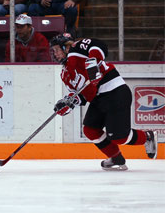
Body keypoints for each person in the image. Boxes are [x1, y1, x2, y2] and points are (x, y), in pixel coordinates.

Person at [50, 33, 158, 171]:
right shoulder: (65, 74)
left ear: (66, 47)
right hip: (98, 99)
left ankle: (147, 137)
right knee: (90, 130)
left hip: (115, 92)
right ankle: (115, 157)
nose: (55, 54)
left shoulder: (76, 49)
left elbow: (98, 45)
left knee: (119, 137)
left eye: (57, 49)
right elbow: (82, 94)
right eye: (53, 51)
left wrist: (93, 61)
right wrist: (69, 103)